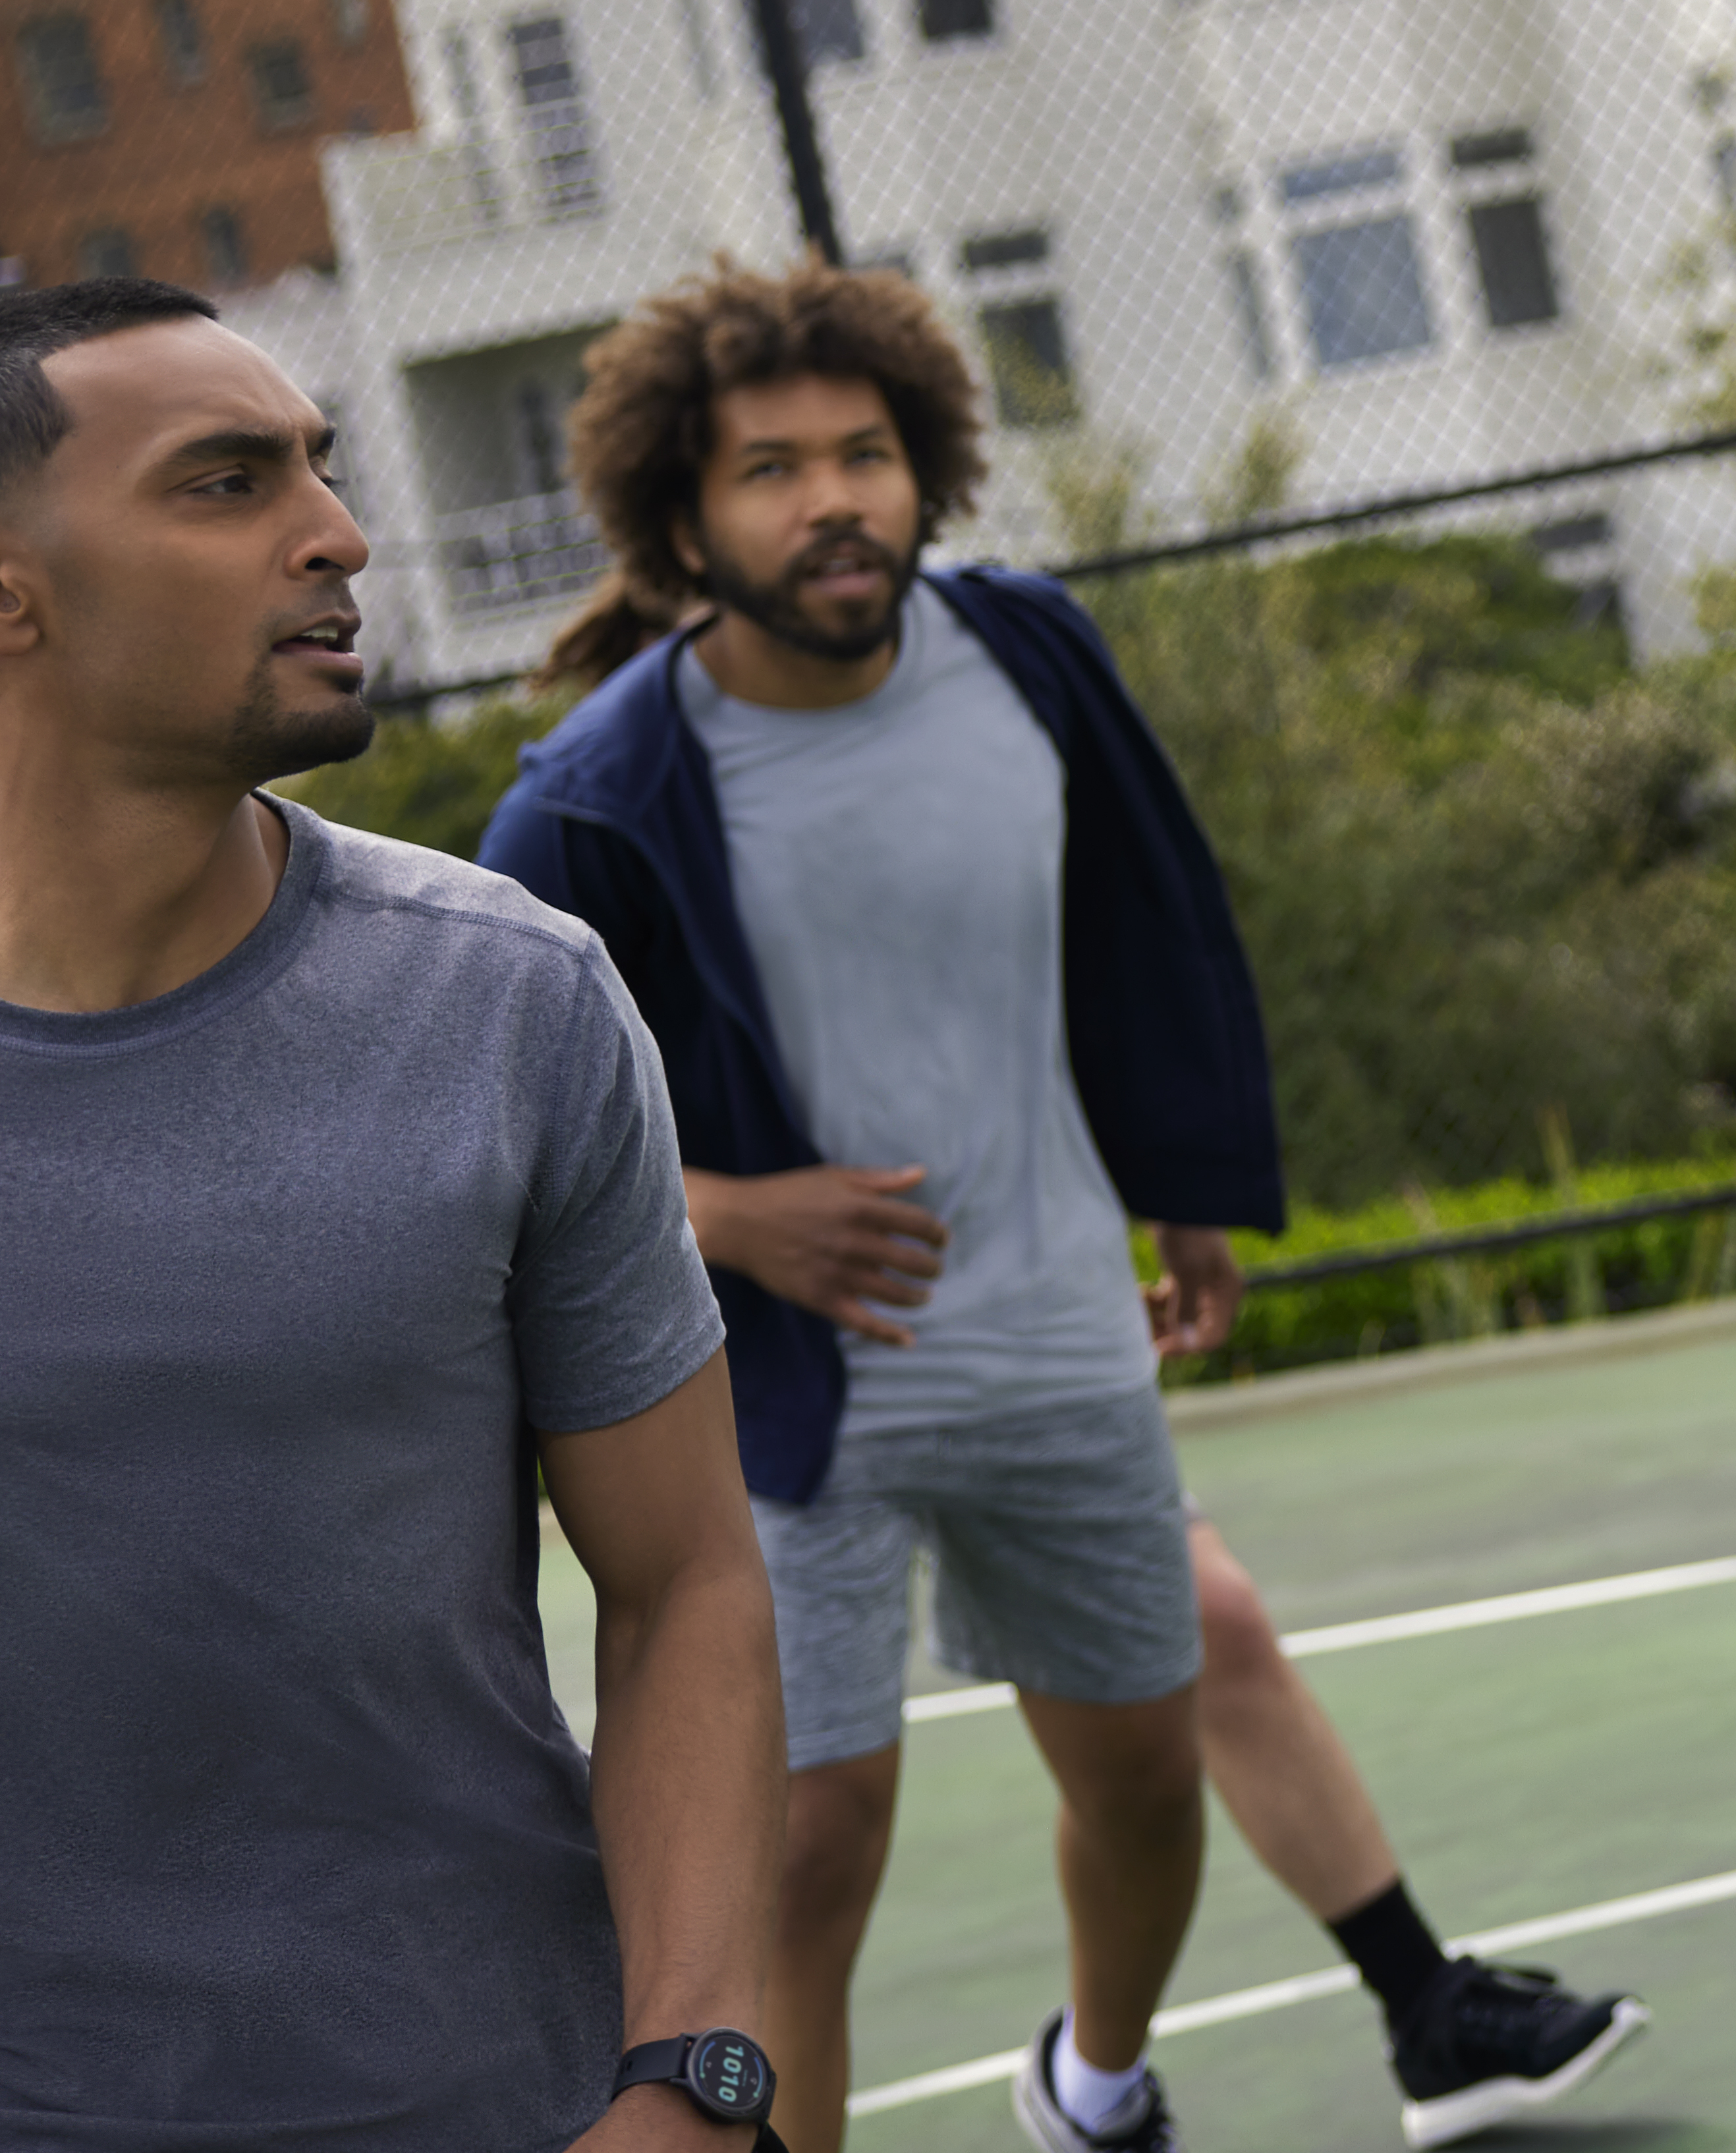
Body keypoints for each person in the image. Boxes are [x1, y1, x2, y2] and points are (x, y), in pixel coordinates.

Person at [479, 260, 1644, 2153]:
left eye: (865, 453)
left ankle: (1092, 2091)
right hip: (784, 1410)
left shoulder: (1027, 654)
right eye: (771, 469)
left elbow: (1144, 926)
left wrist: (1185, 1191)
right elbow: (503, 1144)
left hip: (1054, 1350)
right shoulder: (593, 803)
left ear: (927, 467)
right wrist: (737, 1217)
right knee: (811, 1852)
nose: (831, 499)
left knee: (1145, 1786)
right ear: (682, 521)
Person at [0, 280, 785, 2152]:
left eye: (320, 466)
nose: (338, 532)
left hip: (512, 2098)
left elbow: (688, 1586)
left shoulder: (517, 1002)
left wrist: (697, 2084)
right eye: (228, 483)